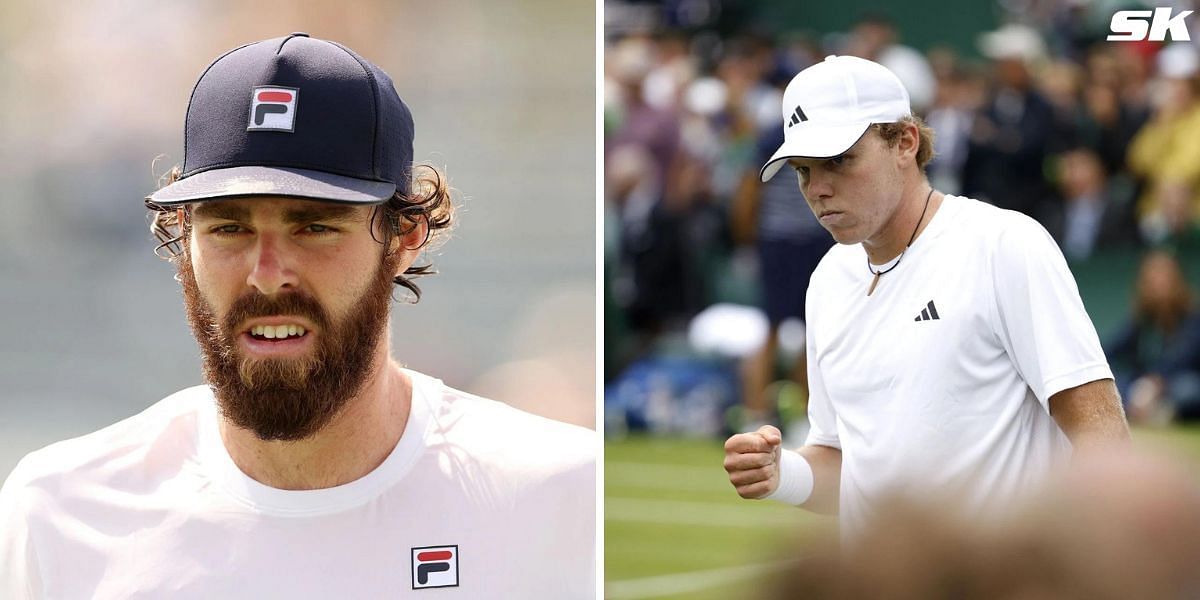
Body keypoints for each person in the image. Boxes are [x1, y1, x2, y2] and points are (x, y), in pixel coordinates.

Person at [0, 34, 594, 598]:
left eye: (314, 227)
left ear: (404, 236)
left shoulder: (563, 495)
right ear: (182, 238)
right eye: (228, 227)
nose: (267, 272)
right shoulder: (60, 509)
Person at [723, 56, 1129, 538]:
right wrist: (780, 475)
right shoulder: (828, 279)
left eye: (838, 160)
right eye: (803, 170)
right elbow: (844, 464)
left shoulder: (1003, 245)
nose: (819, 188)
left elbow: (1103, 439)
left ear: (905, 142)